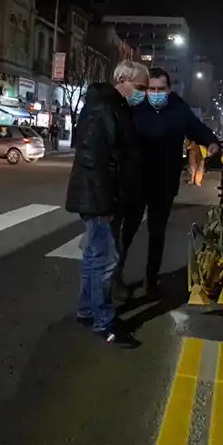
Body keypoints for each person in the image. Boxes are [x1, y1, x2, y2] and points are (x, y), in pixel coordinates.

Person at [113, 67, 219, 300]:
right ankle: (115, 277)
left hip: (164, 181)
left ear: (169, 89)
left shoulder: (178, 109)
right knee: (127, 231)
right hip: (137, 180)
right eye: (152, 89)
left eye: (161, 89)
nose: (156, 93)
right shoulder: (135, 108)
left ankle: (150, 281)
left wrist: (211, 141)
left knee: (157, 233)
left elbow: (196, 128)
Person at [65, 60, 147, 348]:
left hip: (100, 194)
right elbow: (94, 158)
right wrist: (105, 201)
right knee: (104, 261)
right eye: (140, 87)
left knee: (93, 257)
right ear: (123, 79)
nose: (143, 93)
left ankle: (87, 311)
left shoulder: (111, 105)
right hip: (99, 196)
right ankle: (104, 322)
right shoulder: (105, 106)